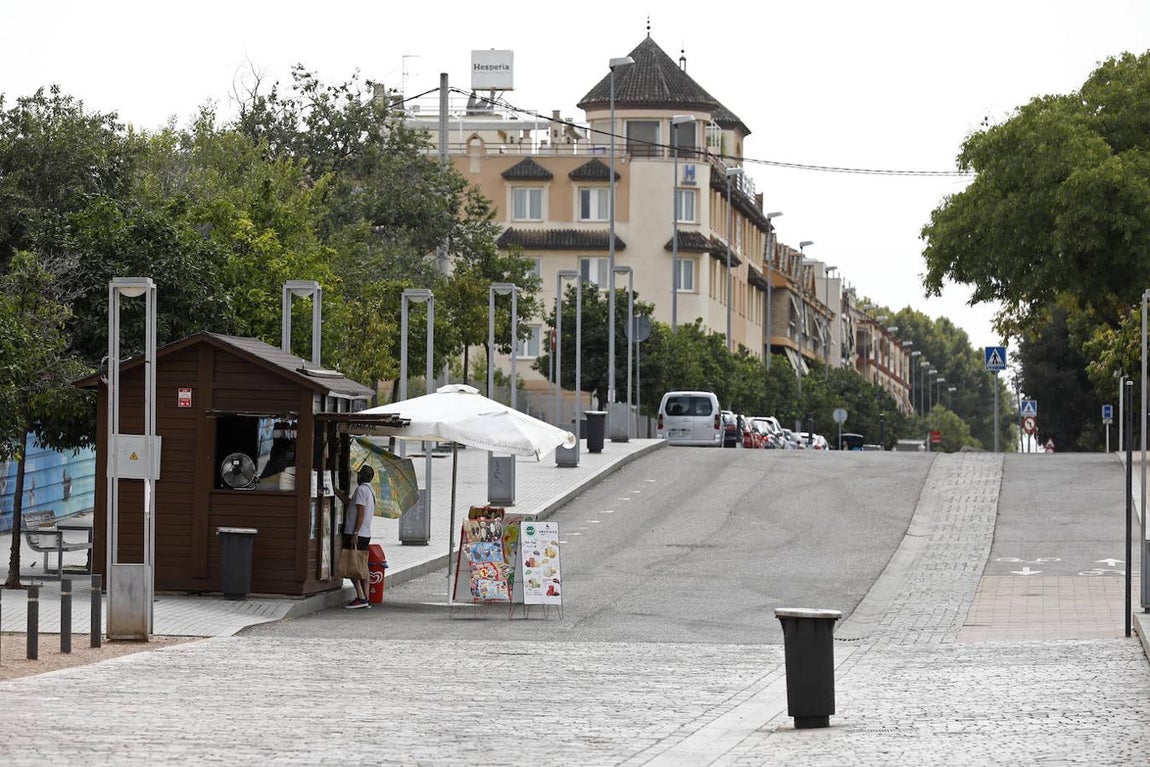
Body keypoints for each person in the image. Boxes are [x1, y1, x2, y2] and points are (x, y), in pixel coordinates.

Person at [337, 465, 376, 609]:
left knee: (352, 565)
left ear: (360, 476)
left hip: (356, 533)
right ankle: (366, 597)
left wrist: (355, 533)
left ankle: (360, 597)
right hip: (365, 533)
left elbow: (360, 512)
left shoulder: (361, 490)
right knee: (362, 566)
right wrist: (337, 493)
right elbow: (351, 504)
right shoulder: (370, 490)